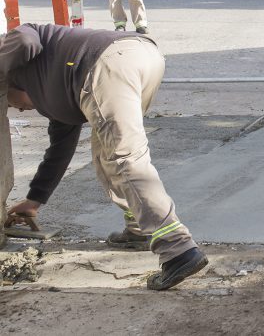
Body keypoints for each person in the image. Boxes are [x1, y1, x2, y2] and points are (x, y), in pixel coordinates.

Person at [1, 23, 207, 290]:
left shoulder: (17, 55)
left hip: (107, 65)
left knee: (125, 160)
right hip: (141, 58)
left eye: (10, 102)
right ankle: (138, 230)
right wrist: (34, 200)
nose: (17, 110)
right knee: (106, 158)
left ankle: (179, 250)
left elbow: (27, 40)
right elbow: (59, 151)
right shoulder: (53, 95)